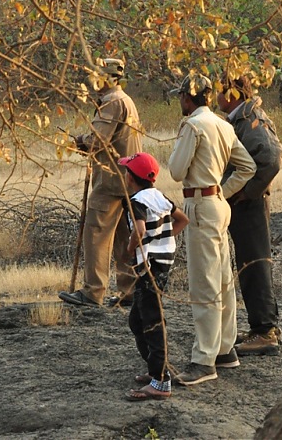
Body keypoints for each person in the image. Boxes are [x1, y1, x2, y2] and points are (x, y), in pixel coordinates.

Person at [168, 72, 257, 386]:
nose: (179, 101)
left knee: (204, 283)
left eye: (180, 96)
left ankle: (204, 360)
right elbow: (248, 167)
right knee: (222, 280)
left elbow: (177, 171)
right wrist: (223, 190)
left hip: (200, 205)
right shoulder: (223, 124)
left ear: (188, 97)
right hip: (218, 204)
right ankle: (224, 349)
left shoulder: (193, 125)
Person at [59, 58, 142, 308]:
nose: (94, 81)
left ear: (108, 78)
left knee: (96, 232)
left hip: (111, 180)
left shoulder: (112, 102)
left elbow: (97, 141)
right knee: (122, 237)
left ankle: (93, 292)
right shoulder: (125, 100)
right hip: (128, 178)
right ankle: (130, 290)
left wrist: (77, 141)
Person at [217, 75, 282, 356]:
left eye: (220, 90)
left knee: (255, 264)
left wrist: (248, 192)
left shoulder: (250, 118)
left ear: (231, 92)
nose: (215, 96)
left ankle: (266, 332)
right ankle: (262, 327)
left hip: (250, 205)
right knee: (249, 264)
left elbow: (272, 158)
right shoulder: (242, 117)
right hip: (245, 203)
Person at [118, 152, 189, 401]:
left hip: (149, 268)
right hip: (161, 264)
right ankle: (155, 370)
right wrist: (163, 241)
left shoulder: (136, 200)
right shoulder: (159, 197)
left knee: (152, 322)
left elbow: (138, 230)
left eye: (127, 171)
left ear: (131, 177)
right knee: (138, 321)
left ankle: (161, 382)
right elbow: (182, 219)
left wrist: (130, 251)